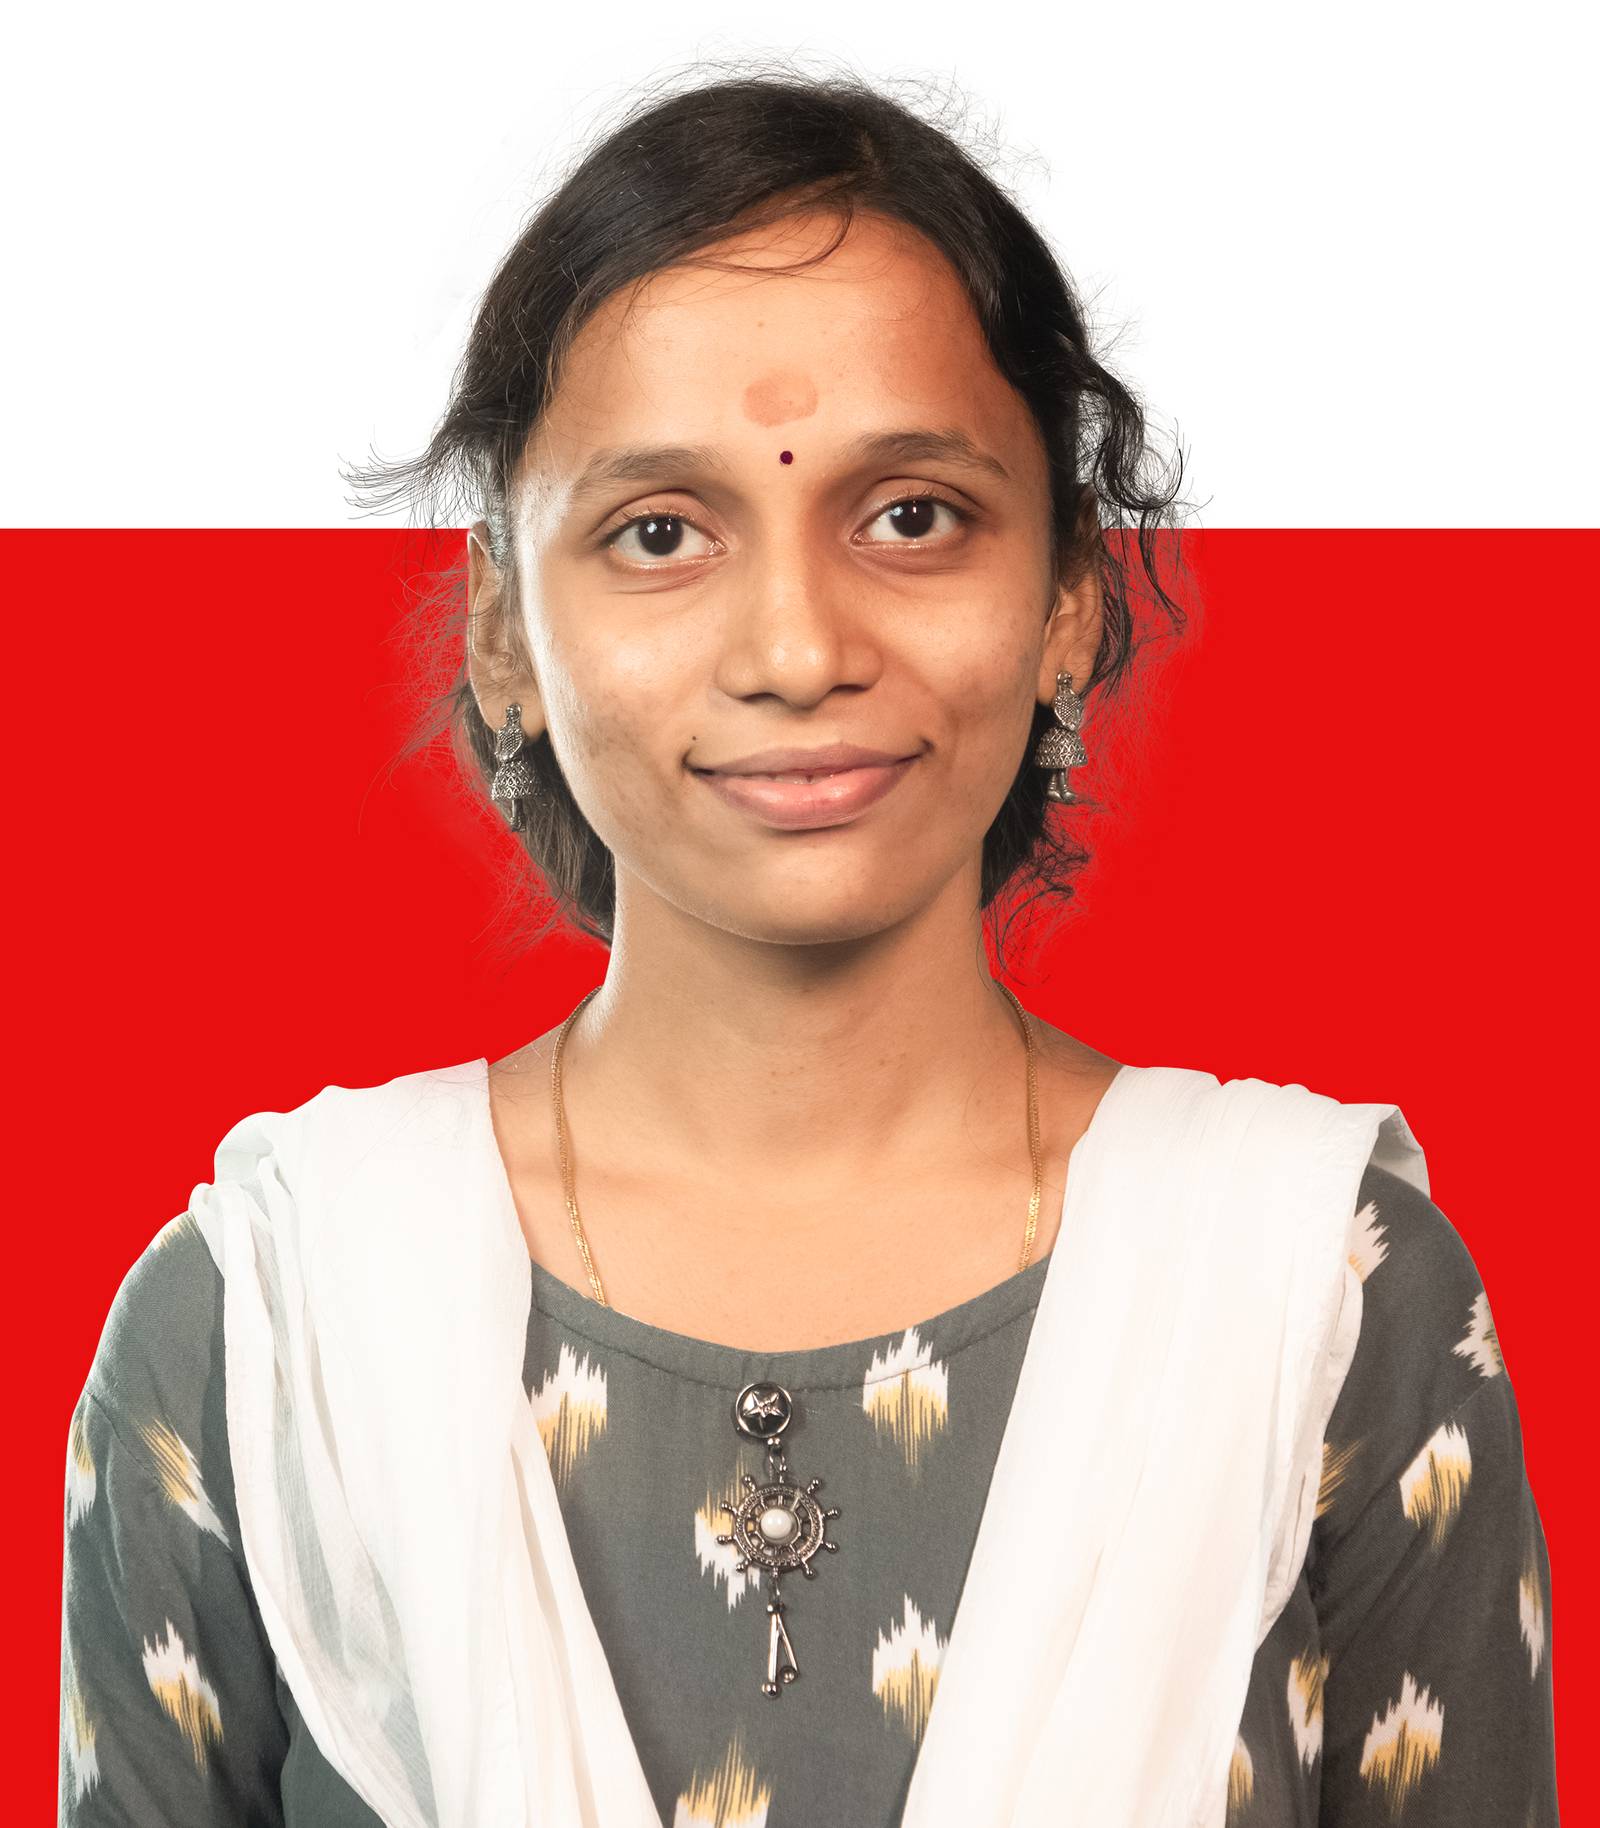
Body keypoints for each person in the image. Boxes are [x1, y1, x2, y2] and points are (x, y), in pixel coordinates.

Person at [59, 62, 1558, 1826]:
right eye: (662, 534)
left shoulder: (1323, 1283)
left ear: (1070, 593)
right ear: (503, 633)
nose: (794, 645)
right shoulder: (268, 1320)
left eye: (912, 514)